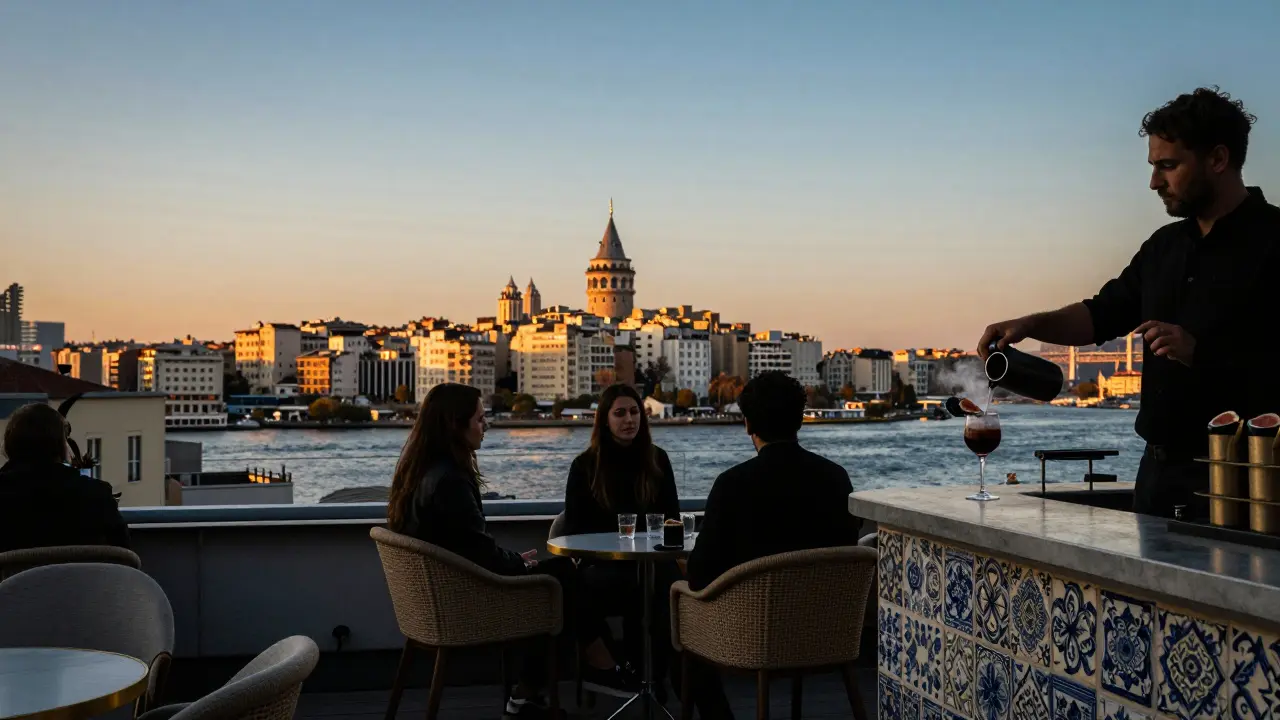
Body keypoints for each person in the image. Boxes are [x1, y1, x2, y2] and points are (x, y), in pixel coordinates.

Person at [978, 87, 1280, 519]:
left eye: (1168, 165)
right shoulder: (1162, 247)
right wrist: (1028, 325)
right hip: (1156, 479)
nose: (1154, 182)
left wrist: (1200, 353)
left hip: (1247, 483)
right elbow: (1101, 314)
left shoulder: (1274, 242)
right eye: (1153, 166)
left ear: (1217, 159)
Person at [386, 383, 628, 718]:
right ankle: (598, 664)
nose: (486, 425)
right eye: (479, 419)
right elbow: (482, 555)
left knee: (558, 579)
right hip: (464, 602)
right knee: (562, 578)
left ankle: (546, 687)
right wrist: (518, 564)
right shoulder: (450, 481)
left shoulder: (420, 473)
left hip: (437, 599)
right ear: (455, 425)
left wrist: (516, 562)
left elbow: (468, 548)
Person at [683, 371, 862, 719]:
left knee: (674, 606)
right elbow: (846, 546)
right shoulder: (836, 478)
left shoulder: (732, 485)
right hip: (826, 632)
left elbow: (700, 575)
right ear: (800, 420)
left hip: (749, 636)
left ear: (748, 424)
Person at [562, 383, 681, 690]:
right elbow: (575, 530)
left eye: (634, 412)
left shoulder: (657, 460)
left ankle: (654, 677)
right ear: (604, 420)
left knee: (665, 586)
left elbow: (672, 519)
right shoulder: (585, 466)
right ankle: (631, 674)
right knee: (629, 589)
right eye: (620, 413)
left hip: (653, 564)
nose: (629, 419)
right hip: (606, 566)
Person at [0, 402, 130, 553]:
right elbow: (122, 554)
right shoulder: (97, 496)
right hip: (84, 570)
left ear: (10, 444)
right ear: (60, 445)